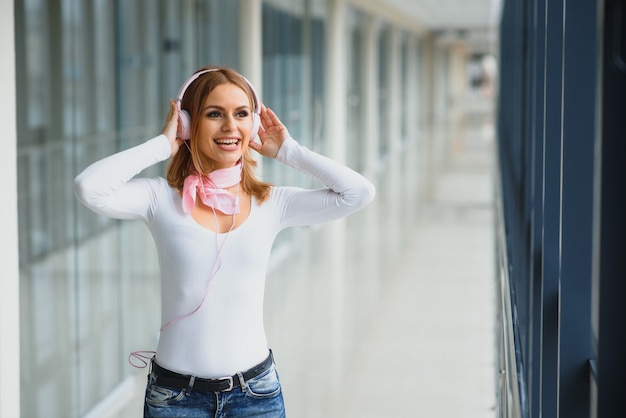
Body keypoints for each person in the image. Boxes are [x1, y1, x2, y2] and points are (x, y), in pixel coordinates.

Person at [73, 66, 375, 417]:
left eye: (242, 114)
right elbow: (88, 188)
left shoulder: (272, 203)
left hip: (256, 396)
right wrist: (162, 145)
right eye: (214, 114)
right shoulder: (160, 198)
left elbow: (358, 193)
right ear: (188, 123)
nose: (231, 127)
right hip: (175, 399)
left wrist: (289, 151)